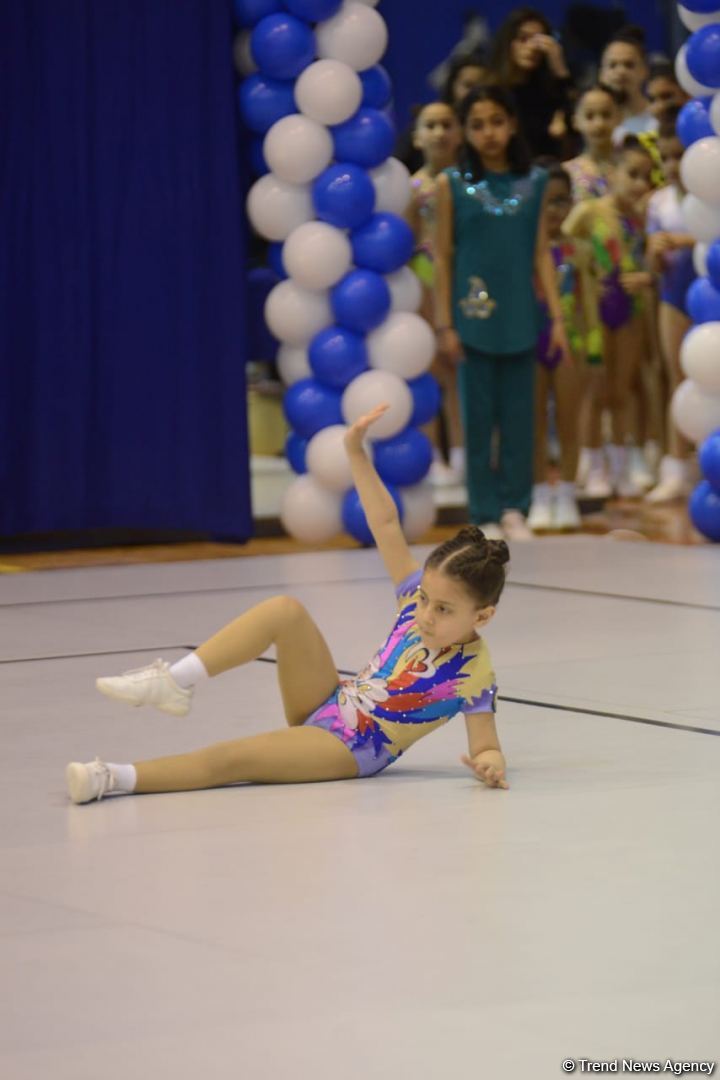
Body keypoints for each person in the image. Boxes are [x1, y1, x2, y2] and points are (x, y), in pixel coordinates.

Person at [65, 405, 510, 804]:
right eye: (426, 599)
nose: (425, 615)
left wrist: (489, 765)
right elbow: (386, 522)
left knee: (234, 758)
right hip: (331, 698)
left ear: (483, 616)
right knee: (285, 610)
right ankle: (175, 681)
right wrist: (355, 452)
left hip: (352, 746)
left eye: (443, 610)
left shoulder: (475, 673)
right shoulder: (414, 599)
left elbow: (486, 745)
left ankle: (112, 777)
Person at [433, 85, 570, 541]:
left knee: (520, 418)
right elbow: (443, 256)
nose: (488, 133)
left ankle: (516, 507)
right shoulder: (452, 184)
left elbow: (541, 253)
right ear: (464, 132)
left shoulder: (535, 183)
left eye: (496, 121)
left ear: (512, 124)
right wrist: (445, 323)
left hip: (520, 316)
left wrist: (557, 318)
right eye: (477, 125)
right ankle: (484, 511)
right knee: (476, 420)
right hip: (471, 316)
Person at [563, 137, 656, 498]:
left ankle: (620, 466)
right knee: (595, 391)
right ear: (612, 173)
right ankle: (593, 464)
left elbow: (650, 262)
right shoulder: (589, 211)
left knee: (622, 390)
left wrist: (645, 277)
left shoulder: (642, 218)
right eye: (632, 174)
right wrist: (586, 271)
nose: (639, 184)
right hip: (593, 313)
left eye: (646, 177)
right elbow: (561, 246)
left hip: (631, 311)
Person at [528, 162, 601, 532]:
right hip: (530, 341)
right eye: (544, 202)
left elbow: (590, 301)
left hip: (569, 342)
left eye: (560, 201)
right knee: (535, 422)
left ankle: (567, 494)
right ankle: (540, 494)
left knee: (569, 421)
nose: (553, 210)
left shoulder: (580, 249)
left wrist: (593, 346)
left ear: (571, 202)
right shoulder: (522, 248)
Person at [406, 102, 465, 486]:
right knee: (429, 368)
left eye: (447, 124)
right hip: (426, 282)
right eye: (431, 125)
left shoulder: (470, 184)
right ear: (417, 137)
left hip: (465, 280)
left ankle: (463, 454)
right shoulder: (412, 188)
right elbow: (408, 243)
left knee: (462, 370)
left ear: (459, 133)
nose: (440, 132)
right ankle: (430, 455)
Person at [644, 107, 696, 503]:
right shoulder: (658, 202)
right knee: (677, 379)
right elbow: (651, 261)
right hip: (673, 296)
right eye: (666, 157)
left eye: (680, 155)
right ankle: (676, 465)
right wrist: (656, 254)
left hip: (708, 297)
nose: (673, 165)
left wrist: (687, 241)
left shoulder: (709, 196)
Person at [489, 7, 575, 159]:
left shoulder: (551, 91)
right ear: (509, 42)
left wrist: (560, 69)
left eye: (538, 42)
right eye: (523, 39)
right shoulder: (492, 92)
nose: (532, 48)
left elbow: (578, 119)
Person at [599, 27, 656, 143]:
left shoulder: (658, 118)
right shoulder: (593, 123)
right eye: (612, 65)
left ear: (645, 70)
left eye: (629, 65)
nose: (621, 72)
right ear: (601, 74)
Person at [564, 84, 620, 202]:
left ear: (619, 117)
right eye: (589, 116)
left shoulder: (630, 169)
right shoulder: (567, 173)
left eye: (606, 115)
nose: (599, 124)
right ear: (575, 122)